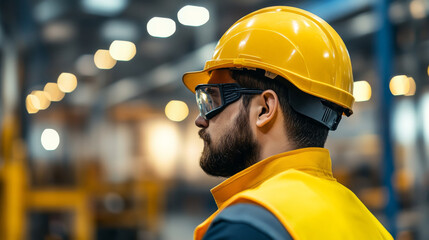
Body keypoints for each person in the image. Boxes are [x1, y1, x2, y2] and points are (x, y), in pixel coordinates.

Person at [182, 6, 393, 240]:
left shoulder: (247, 226)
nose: (201, 119)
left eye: (212, 99)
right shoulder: (372, 227)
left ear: (264, 109)